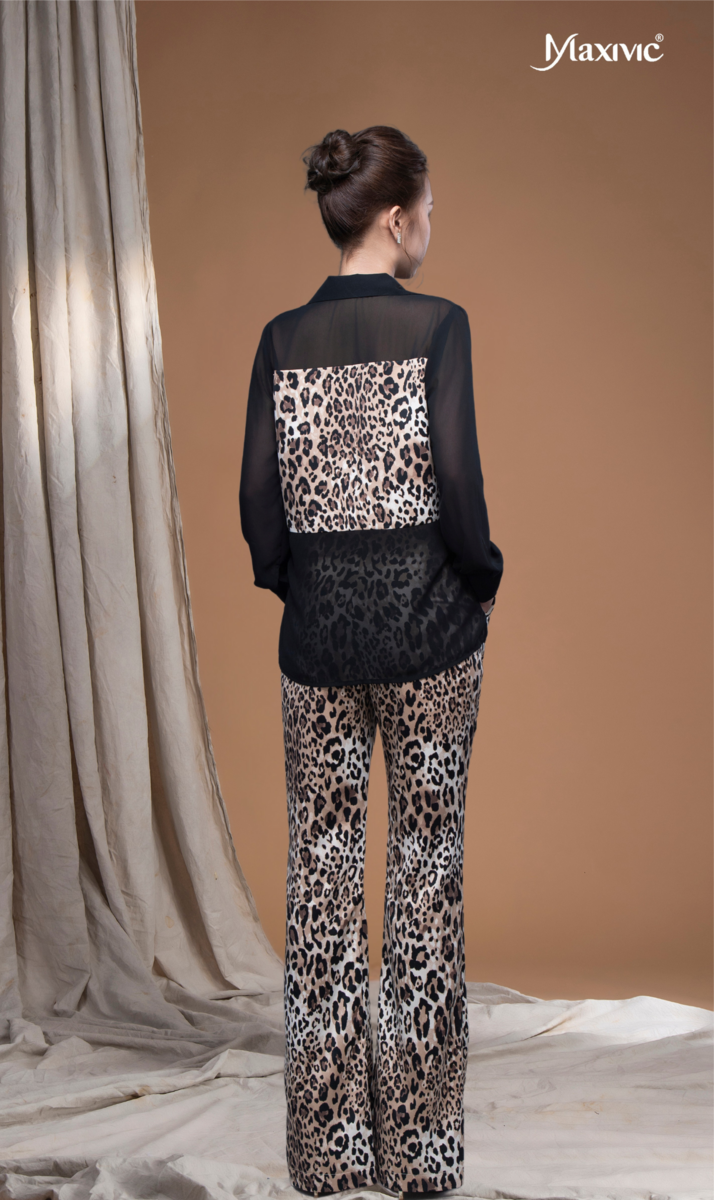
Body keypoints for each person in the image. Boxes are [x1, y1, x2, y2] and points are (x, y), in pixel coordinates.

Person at [239, 125, 503, 1197]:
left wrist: (299, 587)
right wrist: (480, 578)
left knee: (321, 882)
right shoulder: (438, 326)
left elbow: (259, 504)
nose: (432, 225)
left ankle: (327, 1151)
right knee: (425, 878)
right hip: (429, 638)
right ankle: (420, 1157)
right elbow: (457, 484)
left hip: (318, 646)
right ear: (394, 218)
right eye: (427, 209)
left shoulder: (279, 338)